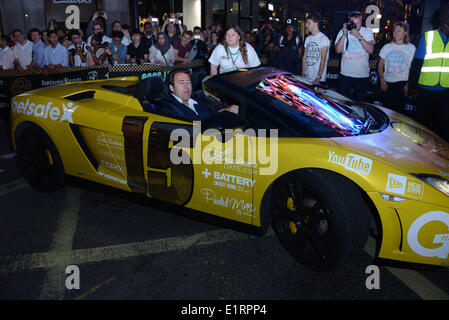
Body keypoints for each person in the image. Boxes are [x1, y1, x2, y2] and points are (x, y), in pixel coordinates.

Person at [408, 4, 449, 142]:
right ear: (442, 19)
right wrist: (413, 86)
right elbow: (417, 64)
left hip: (445, 91)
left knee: (444, 127)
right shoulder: (428, 37)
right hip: (426, 90)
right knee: (424, 126)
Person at [166, 69, 238, 120]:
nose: (186, 86)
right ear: (172, 88)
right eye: (181, 83)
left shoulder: (196, 100)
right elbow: (193, 121)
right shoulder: (168, 105)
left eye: (188, 82)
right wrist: (221, 111)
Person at [335, 11, 375, 101]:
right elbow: (338, 50)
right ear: (349, 22)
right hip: (345, 74)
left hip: (362, 75)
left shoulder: (367, 32)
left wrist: (358, 35)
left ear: (362, 21)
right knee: (343, 103)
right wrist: (344, 34)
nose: (356, 26)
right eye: (354, 23)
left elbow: (370, 50)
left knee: (360, 105)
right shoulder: (342, 32)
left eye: (359, 23)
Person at [377, 21, 415, 113]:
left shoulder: (411, 48)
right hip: (387, 82)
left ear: (405, 32)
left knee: (399, 113)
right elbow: (380, 65)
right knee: (387, 111)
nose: (396, 33)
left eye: (399, 31)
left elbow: (412, 68)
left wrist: (408, 83)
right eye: (395, 30)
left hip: (402, 83)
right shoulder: (387, 47)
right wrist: (382, 79)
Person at [302, 13, 330, 84]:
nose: (306, 25)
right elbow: (304, 57)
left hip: (318, 78)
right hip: (307, 77)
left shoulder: (324, 39)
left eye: (308, 23)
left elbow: (323, 60)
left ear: (316, 23)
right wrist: (303, 73)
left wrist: (318, 77)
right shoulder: (308, 38)